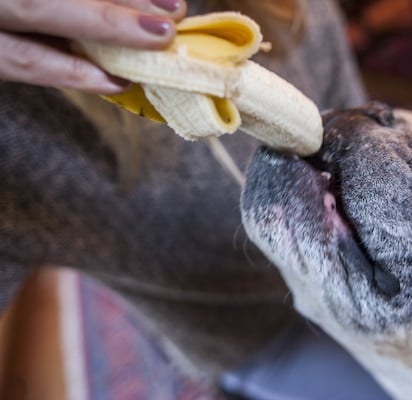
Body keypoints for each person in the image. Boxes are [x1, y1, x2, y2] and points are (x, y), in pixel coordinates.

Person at [0, 0, 367, 395]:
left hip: (355, 275)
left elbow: (359, 127)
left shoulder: (299, 12)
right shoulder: (16, 137)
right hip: (261, 337)